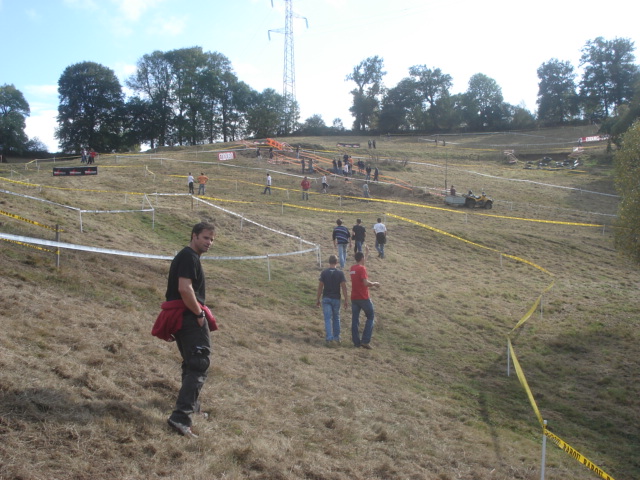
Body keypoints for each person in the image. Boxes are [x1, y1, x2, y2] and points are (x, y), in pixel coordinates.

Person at [154, 222, 218, 438]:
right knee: (199, 363)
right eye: (205, 238)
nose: (209, 242)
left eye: (211, 239)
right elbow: (184, 288)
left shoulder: (190, 257)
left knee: (192, 363)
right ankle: (180, 418)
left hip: (186, 316)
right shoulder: (189, 257)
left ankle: (193, 408)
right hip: (189, 317)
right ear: (194, 236)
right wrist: (199, 315)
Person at [316, 254, 349, 346]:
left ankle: (329, 338)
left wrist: (318, 299)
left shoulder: (324, 273)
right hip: (336, 299)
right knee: (336, 318)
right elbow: (344, 287)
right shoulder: (340, 273)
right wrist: (346, 299)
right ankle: (337, 337)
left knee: (327, 318)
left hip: (326, 298)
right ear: (337, 262)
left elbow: (320, 288)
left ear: (329, 262)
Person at [349, 251, 380, 349]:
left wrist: (366, 253)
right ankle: (365, 341)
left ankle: (356, 342)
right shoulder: (362, 269)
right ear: (361, 258)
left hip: (354, 297)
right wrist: (374, 283)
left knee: (355, 319)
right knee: (370, 317)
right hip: (363, 297)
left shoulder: (352, 269)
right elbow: (366, 283)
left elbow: (361, 266)